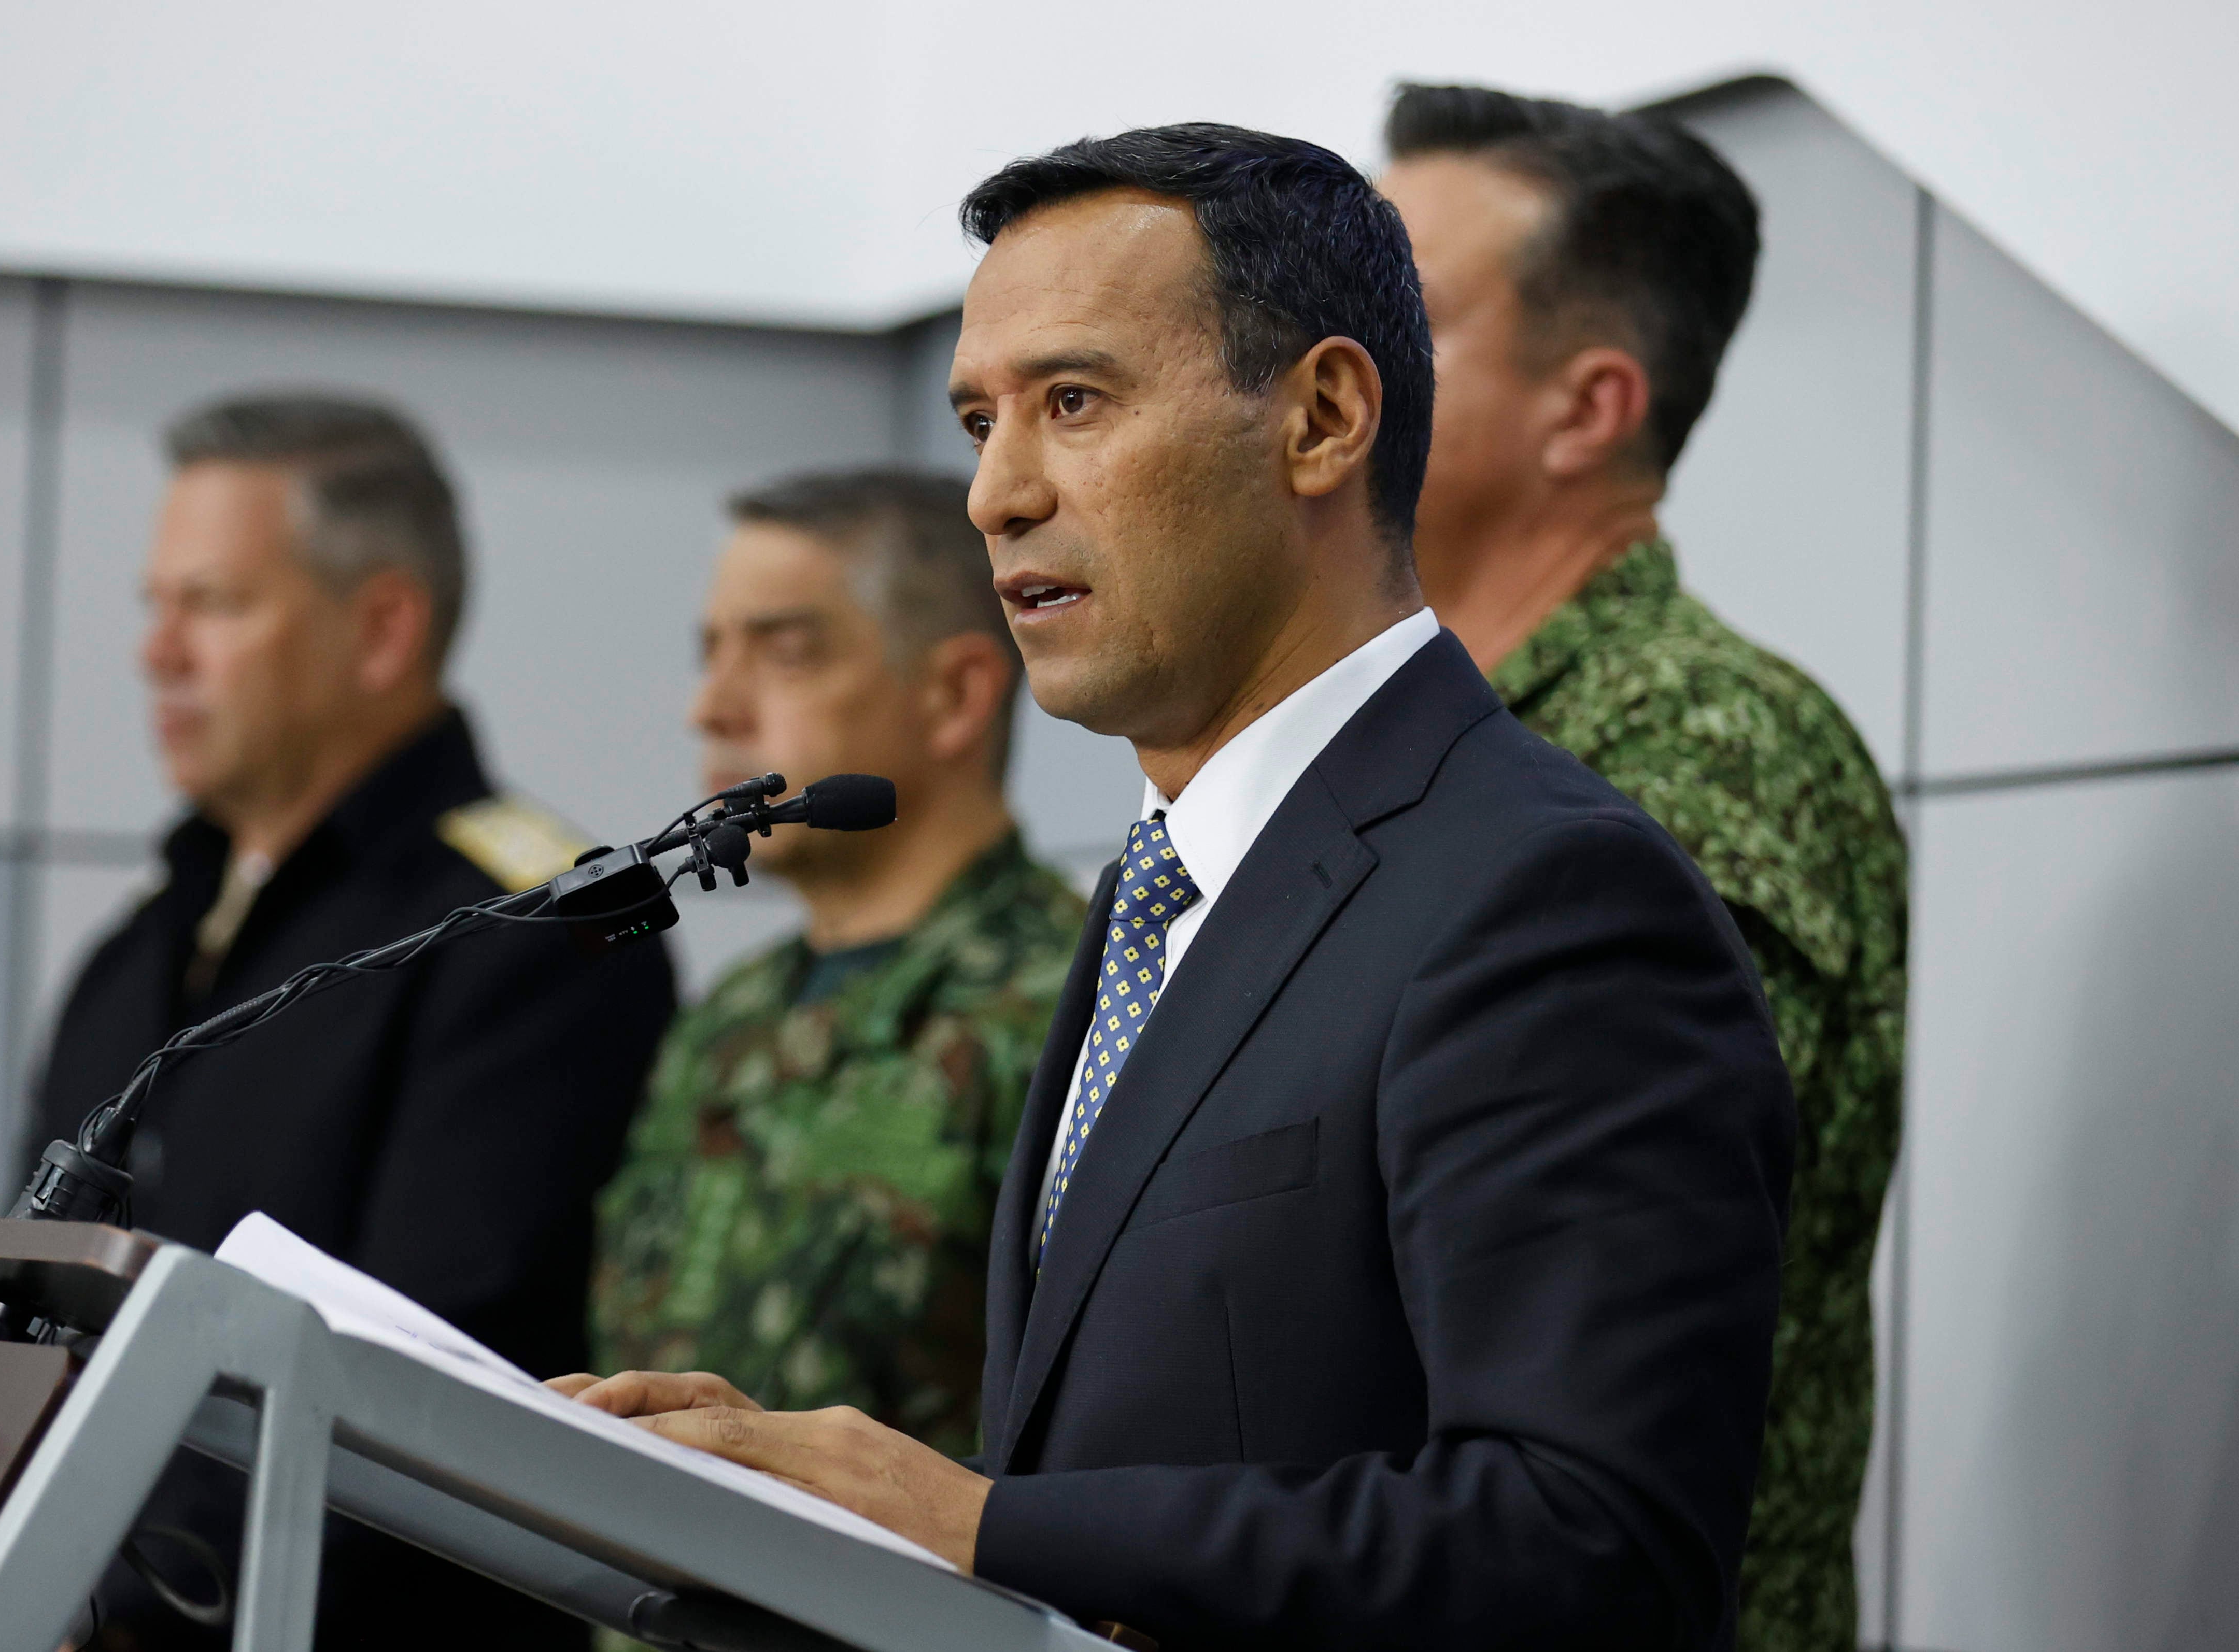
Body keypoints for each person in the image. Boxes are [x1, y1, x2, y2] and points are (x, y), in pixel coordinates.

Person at [551, 125, 1795, 1651]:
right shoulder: (1167, 893)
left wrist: (969, 1517)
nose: (996, 495)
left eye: (1073, 402)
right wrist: (801, 1500)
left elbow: (1589, 1545)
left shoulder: (1548, 898)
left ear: (1324, 418)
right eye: (977, 421)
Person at [1376, 85, 1908, 1652]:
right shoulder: (1414, 744)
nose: (1300, 353)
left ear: (1588, 407)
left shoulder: (1703, 749)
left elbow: (1573, 1357)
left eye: (1391, 305)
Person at [29, 394, 673, 1651]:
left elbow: (410, 1402)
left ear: (382, 627)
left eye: (212, 605)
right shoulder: (142, 944)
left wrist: (95, 1607)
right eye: (156, 605)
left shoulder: (535, 927)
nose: (158, 651)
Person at [589, 470, 1086, 1468]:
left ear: (954, 695)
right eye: (711, 655)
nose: (712, 709)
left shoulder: (1070, 1008)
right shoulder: (728, 1020)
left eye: (782, 653)